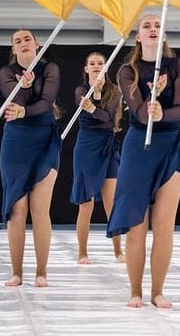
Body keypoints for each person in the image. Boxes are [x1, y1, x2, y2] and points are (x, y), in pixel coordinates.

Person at [107, 14, 180, 309]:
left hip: (171, 145)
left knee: (164, 224)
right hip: (138, 147)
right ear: (138, 37)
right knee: (137, 224)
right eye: (147, 26)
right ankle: (135, 290)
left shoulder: (178, 66)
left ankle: (157, 291)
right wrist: (151, 97)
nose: (153, 29)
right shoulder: (126, 71)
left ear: (164, 35)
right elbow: (139, 113)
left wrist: (162, 113)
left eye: (158, 26)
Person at [0, 29, 62, 288]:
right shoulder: (6, 73)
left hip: (44, 138)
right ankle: (17, 272)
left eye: (27, 39)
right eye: (17, 41)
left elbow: (46, 103)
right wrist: (22, 87)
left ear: (37, 45)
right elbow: (14, 101)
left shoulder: (51, 69)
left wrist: (24, 110)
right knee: (17, 209)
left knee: (39, 209)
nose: (23, 43)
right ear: (14, 49)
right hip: (15, 142)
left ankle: (41, 272)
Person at [71, 52, 124, 264]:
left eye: (100, 63)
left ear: (106, 67)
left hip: (107, 147)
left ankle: (118, 251)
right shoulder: (81, 91)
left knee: (112, 202)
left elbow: (106, 117)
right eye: (91, 63)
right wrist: (93, 97)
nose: (95, 66)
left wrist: (94, 104)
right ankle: (82, 252)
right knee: (87, 204)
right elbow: (93, 118)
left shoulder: (115, 91)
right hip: (86, 147)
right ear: (86, 69)